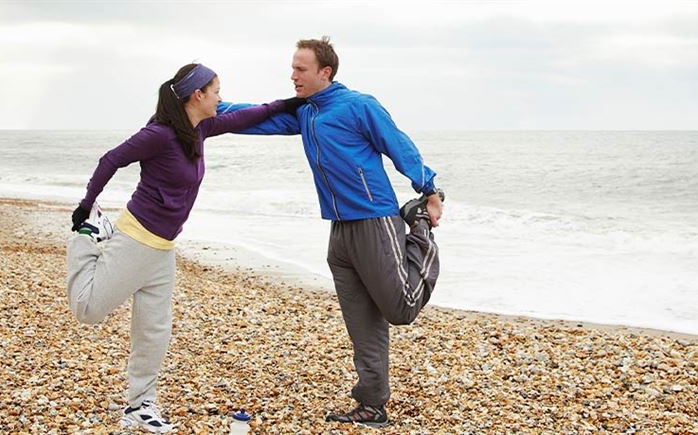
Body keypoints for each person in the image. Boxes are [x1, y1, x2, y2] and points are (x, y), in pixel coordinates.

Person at [216, 36, 444, 428]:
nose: (293, 76)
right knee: (363, 324)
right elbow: (254, 117)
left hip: (376, 220)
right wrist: (205, 109)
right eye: (292, 68)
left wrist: (429, 190)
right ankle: (372, 405)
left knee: (400, 310)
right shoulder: (307, 113)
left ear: (326, 72)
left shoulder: (359, 106)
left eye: (300, 69)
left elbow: (399, 146)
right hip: (339, 231)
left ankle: (419, 228)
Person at [65, 63, 301, 433]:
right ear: (198, 95)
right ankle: (87, 237)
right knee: (88, 310)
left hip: (163, 249)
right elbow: (110, 159)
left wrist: (286, 105)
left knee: (154, 331)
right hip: (136, 240)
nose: (221, 98)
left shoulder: (200, 129)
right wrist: (85, 206)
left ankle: (140, 405)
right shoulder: (158, 135)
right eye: (217, 91)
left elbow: (242, 117)